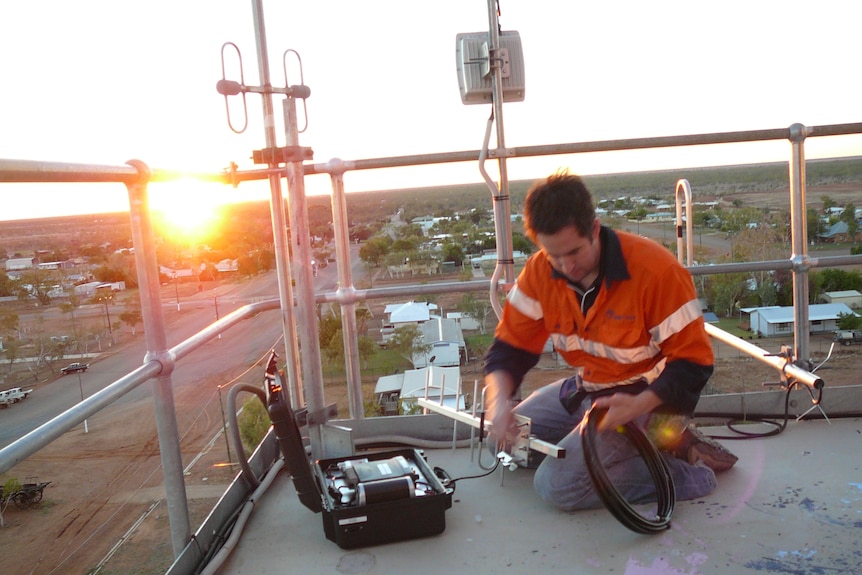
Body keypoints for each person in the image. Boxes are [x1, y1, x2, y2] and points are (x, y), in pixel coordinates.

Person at [483, 170, 737, 511]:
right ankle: (616, 448)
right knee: (503, 444)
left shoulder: (655, 273)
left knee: (558, 486)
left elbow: (693, 364)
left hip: (648, 398)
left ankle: (689, 471)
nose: (565, 265)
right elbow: (509, 350)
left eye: (574, 251)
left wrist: (641, 404)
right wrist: (499, 404)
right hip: (587, 388)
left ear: (595, 228)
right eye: (553, 254)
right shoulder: (540, 273)